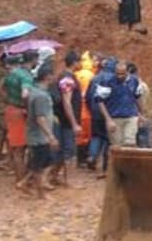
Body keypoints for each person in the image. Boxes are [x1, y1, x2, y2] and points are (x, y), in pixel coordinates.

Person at [19, 64, 59, 198]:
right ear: (48, 77)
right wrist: (51, 136)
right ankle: (41, 193)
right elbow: (40, 118)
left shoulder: (34, 92)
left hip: (37, 135)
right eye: (52, 75)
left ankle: (24, 183)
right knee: (40, 167)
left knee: (41, 162)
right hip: (39, 136)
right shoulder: (41, 96)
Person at [3, 51, 39, 186]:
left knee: (17, 148)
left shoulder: (11, 75)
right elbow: (25, 94)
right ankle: (22, 180)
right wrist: (27, 107)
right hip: (21, 112)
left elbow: (2, 89)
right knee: (21, 148)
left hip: (11, 110)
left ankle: (20, 178)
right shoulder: (25, 76)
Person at [50, 52, 82, 186]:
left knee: (62, 150)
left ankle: (54, 176)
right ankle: (69, 181)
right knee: (69, 150)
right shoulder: (68, 79)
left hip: (62, 118)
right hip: (66, 120)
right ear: (75, 62)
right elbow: (67, 102)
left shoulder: (63, 76)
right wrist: (74, 123)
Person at [99, 60, 142, 148]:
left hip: (131, 116)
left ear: (127, 71)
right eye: (117, 73)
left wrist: (141, 113)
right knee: (117, 147)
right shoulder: (107, 82)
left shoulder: (134, 81)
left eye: (122, 73)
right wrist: (108, 119)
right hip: (114, 118)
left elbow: (138, 97)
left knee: (130, 143)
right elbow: (100, 101)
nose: (119, 76)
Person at [86, 57, 116, 174]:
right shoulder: (114, 79)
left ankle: (92, 156)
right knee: (108, 138)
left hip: (95, 112)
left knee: (96, 136)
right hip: (109, 113)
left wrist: (92, 109)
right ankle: (105, 166)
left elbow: (88, 97)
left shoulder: (94, 78)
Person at [128, 62, 152, 148]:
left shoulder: (133, 85)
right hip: (142, 115)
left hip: (134, 116)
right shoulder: (143, 85)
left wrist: (140, 113)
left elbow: (138, 101)